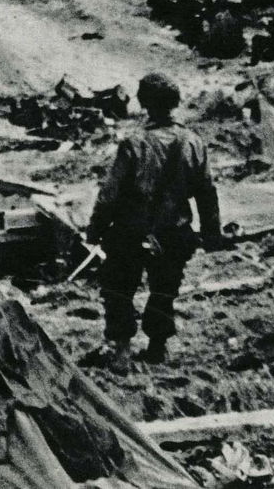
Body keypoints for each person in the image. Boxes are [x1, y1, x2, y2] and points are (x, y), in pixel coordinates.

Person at [87, 72, 221, 367]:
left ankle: (121, 351)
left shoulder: (133, 144)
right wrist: (212, 235)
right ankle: (157, 348)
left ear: (145, 103)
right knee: (164, 290)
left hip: (131, 232)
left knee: (118, 288)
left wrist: (95, 230)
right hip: (174, 232)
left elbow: (110, 193)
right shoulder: (194, 143)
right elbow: (206, 192)